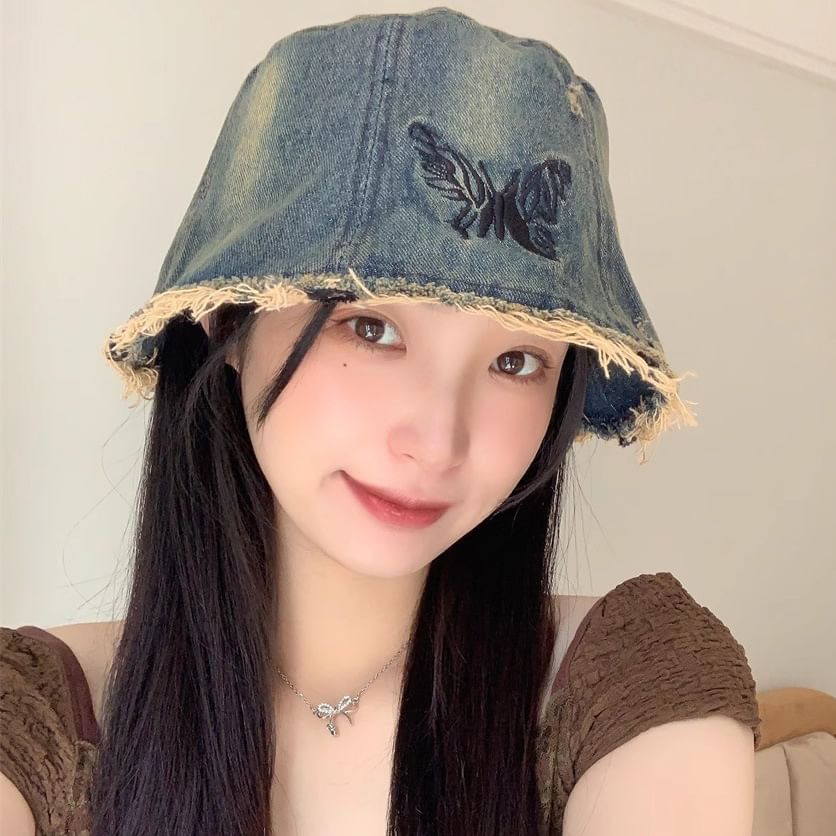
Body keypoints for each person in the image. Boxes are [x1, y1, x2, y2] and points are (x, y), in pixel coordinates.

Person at [0, 7, 761, 835]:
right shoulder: (38, 717)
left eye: (517, 361)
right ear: (228, 322)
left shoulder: (629, 681)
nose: (437, 441)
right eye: (370, 328)